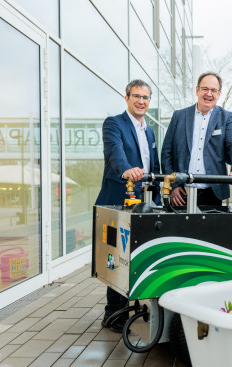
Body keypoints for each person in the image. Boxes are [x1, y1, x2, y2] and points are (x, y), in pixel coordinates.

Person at [95, 79, 160, 332]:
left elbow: (152, 164)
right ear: (127, 98)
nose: (141, 101)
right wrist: (127, 170)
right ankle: (113, 314)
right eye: (136, 96)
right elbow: (115, 153)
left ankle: (130, 305)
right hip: (117, 201)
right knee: (117, 258)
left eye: (145, 97)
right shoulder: (114, 123)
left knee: (137, 256)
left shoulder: (150, 131)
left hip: (143, 203)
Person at [161, 72, 232, 207]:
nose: (209, 94)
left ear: (219, 94)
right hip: (181, 193)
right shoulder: (179, 116)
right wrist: (173, 185)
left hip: (213, 193)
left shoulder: (226, 118)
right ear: (197, 90)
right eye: (205, 89)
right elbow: (167, 153)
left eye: (213, 90)